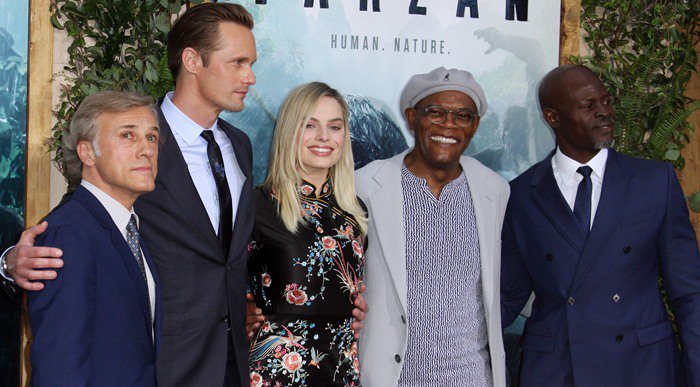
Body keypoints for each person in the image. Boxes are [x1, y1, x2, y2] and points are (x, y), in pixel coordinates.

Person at [1, 4, 365, 386]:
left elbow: (231, 256)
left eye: (252, 63)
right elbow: (86, 212)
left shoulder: (238, 145)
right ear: (193, 60)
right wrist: (11, 261)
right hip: (165, 366)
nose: (251, 77)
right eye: (238, 62)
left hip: (238, 365)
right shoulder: (139, 141)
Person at [500, 64, 700, 386]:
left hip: (641, 368)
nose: (604, 113)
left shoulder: (654, 181)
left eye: (606, 102)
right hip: (558, 370)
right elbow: (508, 295)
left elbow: (690, 292)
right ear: (553, 117)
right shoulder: (522, 194)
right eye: (588, 106)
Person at [355, 67, 509, 386]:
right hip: (392, 377)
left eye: (462, 116)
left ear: (474, 125)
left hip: (472, 377)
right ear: (412, 118)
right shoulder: (365, 186)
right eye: (436, 112)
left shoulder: (494, 189)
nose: (449, 125)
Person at [28, 91, 161, 385]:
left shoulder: (130, 228)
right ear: (87, 153)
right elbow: (59, 365)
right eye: (128, 135)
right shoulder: (69, 233)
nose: (146, 150)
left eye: (151, 137)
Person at [247, 82, 367, 386]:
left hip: (341, 368)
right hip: (279, 372)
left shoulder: (356, 214)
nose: (324, 137)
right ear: (290, 130)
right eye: (310, 125)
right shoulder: (256, 205)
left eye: (334, 126)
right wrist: (242, 308)